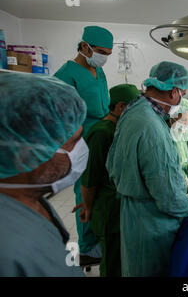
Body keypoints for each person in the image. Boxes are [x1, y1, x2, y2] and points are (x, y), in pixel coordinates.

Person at [105, 61, 188, 276]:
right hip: (152, 221)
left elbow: (116, 165)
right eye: (182, 92)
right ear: (174, 92)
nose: (182, 98)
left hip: (134, 213)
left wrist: (184, 185)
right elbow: (167, 195)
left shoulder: (135, 110)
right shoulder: (152, 127)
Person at [0, 73, 87, 276]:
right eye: (74, 141)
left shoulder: (31, 199)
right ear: (25, 155)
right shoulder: (10, 248)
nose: (82, 150)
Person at [54, 25, 114, 264]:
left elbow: (104, 104)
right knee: (85, 191)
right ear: (84, 47)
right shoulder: (65, 75)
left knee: (101, 190)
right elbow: (60, 115)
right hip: (81, 140)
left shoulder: (99, 71)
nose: (105, 57)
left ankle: (99, 238)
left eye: (109, 53)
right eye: (101, 52)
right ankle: (88, 248)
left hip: (102, 135)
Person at [73, 84, 140, 277]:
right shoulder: (102, 132)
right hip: (108, 209)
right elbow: (90, 178)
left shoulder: (118, 129)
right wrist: (87, 205)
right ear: (120, 107)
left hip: (119, 207)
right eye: (133, 109)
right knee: (111, 265)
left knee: (120, 259)